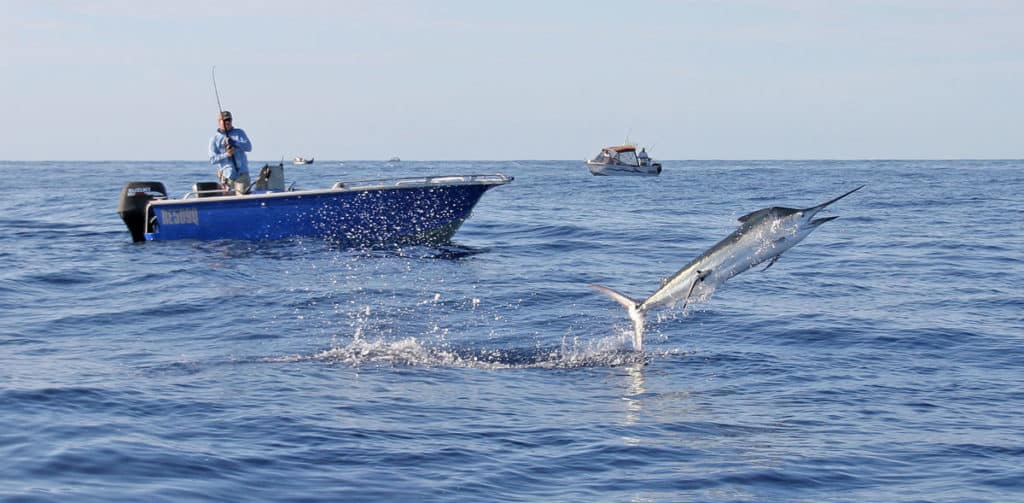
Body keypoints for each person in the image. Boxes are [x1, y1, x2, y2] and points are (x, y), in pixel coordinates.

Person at [208, 110, 253, 194]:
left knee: (243, 199)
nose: (227, 122)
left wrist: (235, 143)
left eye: (229, 120)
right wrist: (226, 155)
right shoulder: (214, 139)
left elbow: (249, 147)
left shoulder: (239, 133)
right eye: (225, 120)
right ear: (219, 122)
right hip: (227, 177)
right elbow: (212, 159)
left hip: (242, 175)